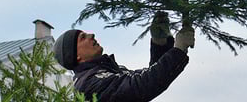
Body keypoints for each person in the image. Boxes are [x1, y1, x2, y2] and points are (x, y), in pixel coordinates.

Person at [53, 12, 194, 101]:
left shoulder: (108, 71)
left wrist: (161, 42)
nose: (91, 35)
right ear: (76, 55)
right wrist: (178, 50)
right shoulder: (88, 84)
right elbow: (141, 87)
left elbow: (149, 76)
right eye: (83, 38)